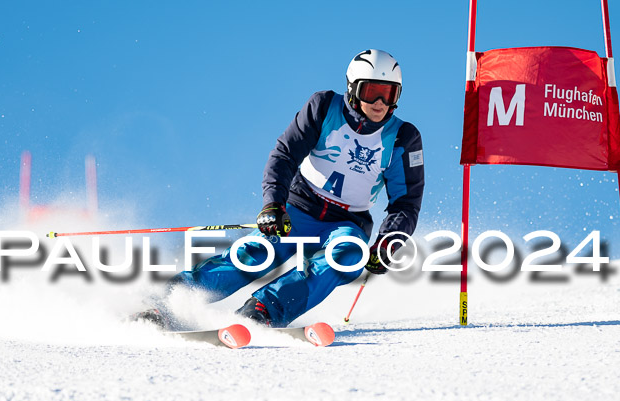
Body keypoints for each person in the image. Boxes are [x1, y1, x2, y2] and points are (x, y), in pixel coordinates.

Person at [138, 49, 424, 329]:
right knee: (257, 254)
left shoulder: (402, 137)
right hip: (299, 208)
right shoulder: (324, 107)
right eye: (370, 91)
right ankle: (168, 302)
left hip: (348, 222)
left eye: (389, 93)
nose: (379, 102)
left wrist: (388, 241)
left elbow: (406, 203)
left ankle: (262, 310)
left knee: (347, 255)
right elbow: (285, 155)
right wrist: (273, 203)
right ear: (352, 89)